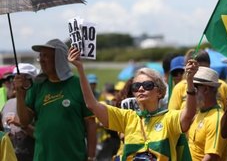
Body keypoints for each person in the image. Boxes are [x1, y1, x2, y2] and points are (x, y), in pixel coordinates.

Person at [68, 47, 198, 160]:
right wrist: (80, 68)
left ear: (160, 92)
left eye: (147, 85)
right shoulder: (127, 118)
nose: (141, 89)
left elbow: (189, 113)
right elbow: (92, 105)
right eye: (136, 86)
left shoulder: (169, 118)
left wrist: (190, 81)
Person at [14, 39, 97, 161]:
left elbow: (90, 123)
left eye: (46, 56)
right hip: (42, 157)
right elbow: (24, 122)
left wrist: (91, 156)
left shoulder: (78, 84)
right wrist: (20, 94)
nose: (41, 60)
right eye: (40, 56)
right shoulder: (37, 85)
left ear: (59, 59)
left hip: (74, 157)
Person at [188, 66, 227, 161]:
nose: (190, 92)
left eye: (194, 88)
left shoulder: (217, 118)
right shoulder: (200, 113)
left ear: (206, 89)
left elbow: (212, 156)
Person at [2, 63, 37, 161]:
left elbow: (45, 137)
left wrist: (23, 125)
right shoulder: (8, 103)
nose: (15, 82)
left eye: (20, 78)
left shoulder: (40, 104)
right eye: (14, 78)